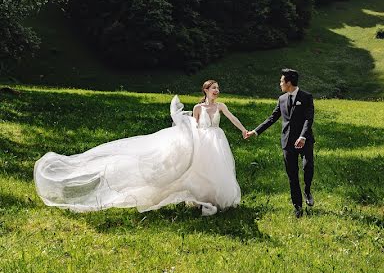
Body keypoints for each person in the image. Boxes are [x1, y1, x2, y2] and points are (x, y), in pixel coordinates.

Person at [34, 80, 248, 216]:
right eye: (213, 88)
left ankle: (216, 200)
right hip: (202, 142)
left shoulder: (221, 106)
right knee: (199, 170)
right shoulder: (197, 107)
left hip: (217, 141)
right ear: (205, 91)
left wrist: (244, 130)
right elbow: (192, 125)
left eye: (218, 88)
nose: (217, 91)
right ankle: (201, 200)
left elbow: (232, 118)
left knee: (218, 170)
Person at [245, 68, 314, 217]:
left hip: (305, 140)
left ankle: (307, 190)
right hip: (287, 141)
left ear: (289, 82)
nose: (280, 83)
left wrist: (302, 137)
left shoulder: (306, 97)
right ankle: (298, 207)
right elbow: (272, 118)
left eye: (282, 81)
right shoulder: (281, 99)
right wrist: (255, 131)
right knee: (292, 175)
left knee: (308, 166)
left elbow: (309, 118)